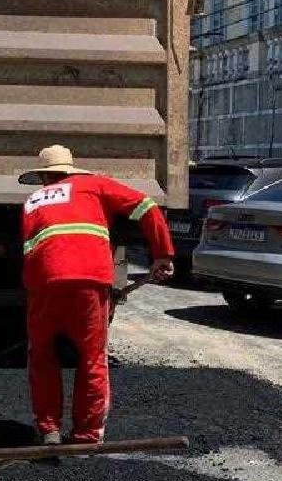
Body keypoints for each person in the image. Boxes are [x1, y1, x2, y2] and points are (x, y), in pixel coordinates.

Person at [18, 145, 174, 445]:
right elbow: (145, 206)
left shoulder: (32, 201)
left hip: (43, 284)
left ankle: (49, 428)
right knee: (91, 357)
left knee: (42, 357)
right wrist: (162, 253)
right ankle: (86, 435)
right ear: (70, 170)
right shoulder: (93, 184)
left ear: (42, 177)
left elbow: (33, 249)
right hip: (88, 281)